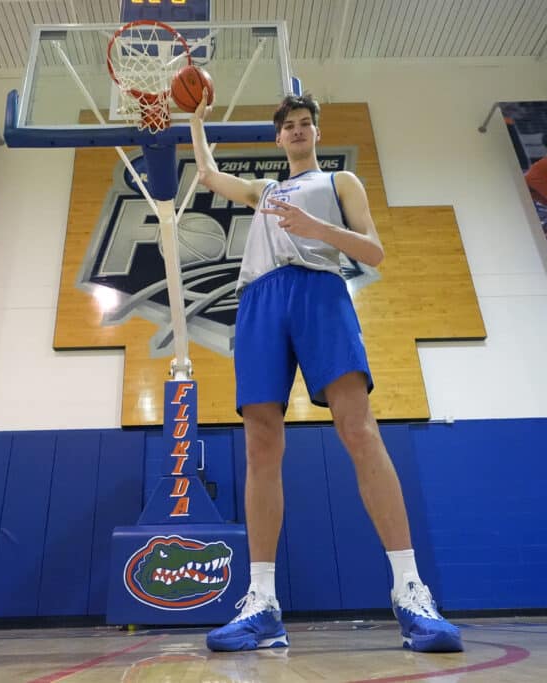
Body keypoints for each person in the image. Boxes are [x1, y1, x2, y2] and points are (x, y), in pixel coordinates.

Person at [190, 91, 463, 654]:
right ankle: (261, 603)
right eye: (288, 125)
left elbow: (375, 251)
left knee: (358, 430)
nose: (296, 130)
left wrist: (320, 229)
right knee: (261, 444)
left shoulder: (341, 182)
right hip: (261, 299)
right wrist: (195, 118)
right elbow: (210, 175)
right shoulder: (264, 190)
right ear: (277, 137)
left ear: (316, 133)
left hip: (320, 289)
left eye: (305, 124)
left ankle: (411, 591)